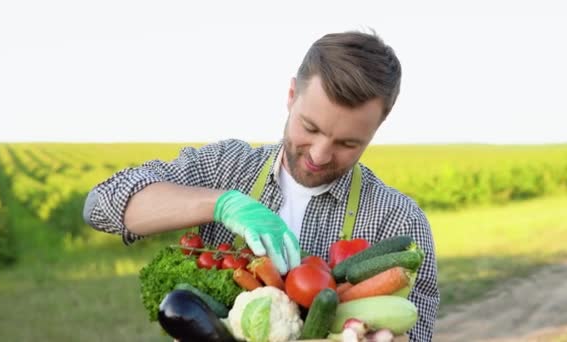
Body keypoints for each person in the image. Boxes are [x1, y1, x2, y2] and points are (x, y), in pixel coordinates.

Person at [83, 30, 439, 341]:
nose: (319, 154)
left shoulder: (397, 222)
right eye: (310, 128)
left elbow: (417, 332)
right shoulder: (227, 166)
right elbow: (101, 205)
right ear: (290, 95)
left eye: (348, 143)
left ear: (377, 127)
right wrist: (222, 203)